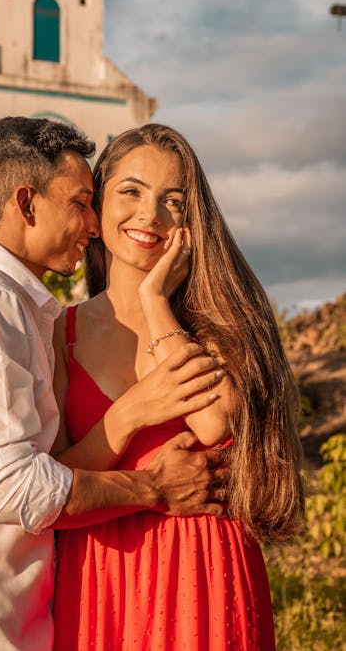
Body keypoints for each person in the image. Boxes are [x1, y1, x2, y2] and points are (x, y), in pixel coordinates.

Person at [0, 117, 228, 651]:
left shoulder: (20, 310)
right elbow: (12, 486)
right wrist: (155, 488)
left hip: (9, 619)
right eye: (81, 202)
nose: (93, 222)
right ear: (27, 203)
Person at [52, 123, 305, 650]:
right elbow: (54, 480)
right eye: (131, 192)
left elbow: (212, 421)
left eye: (173, 200)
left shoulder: (217, 319)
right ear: (97, 205)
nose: (151, 215)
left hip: (201, 572)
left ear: (191, 222)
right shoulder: (60, 331)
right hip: (100, 575)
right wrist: (133, 412)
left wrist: (155, 300)